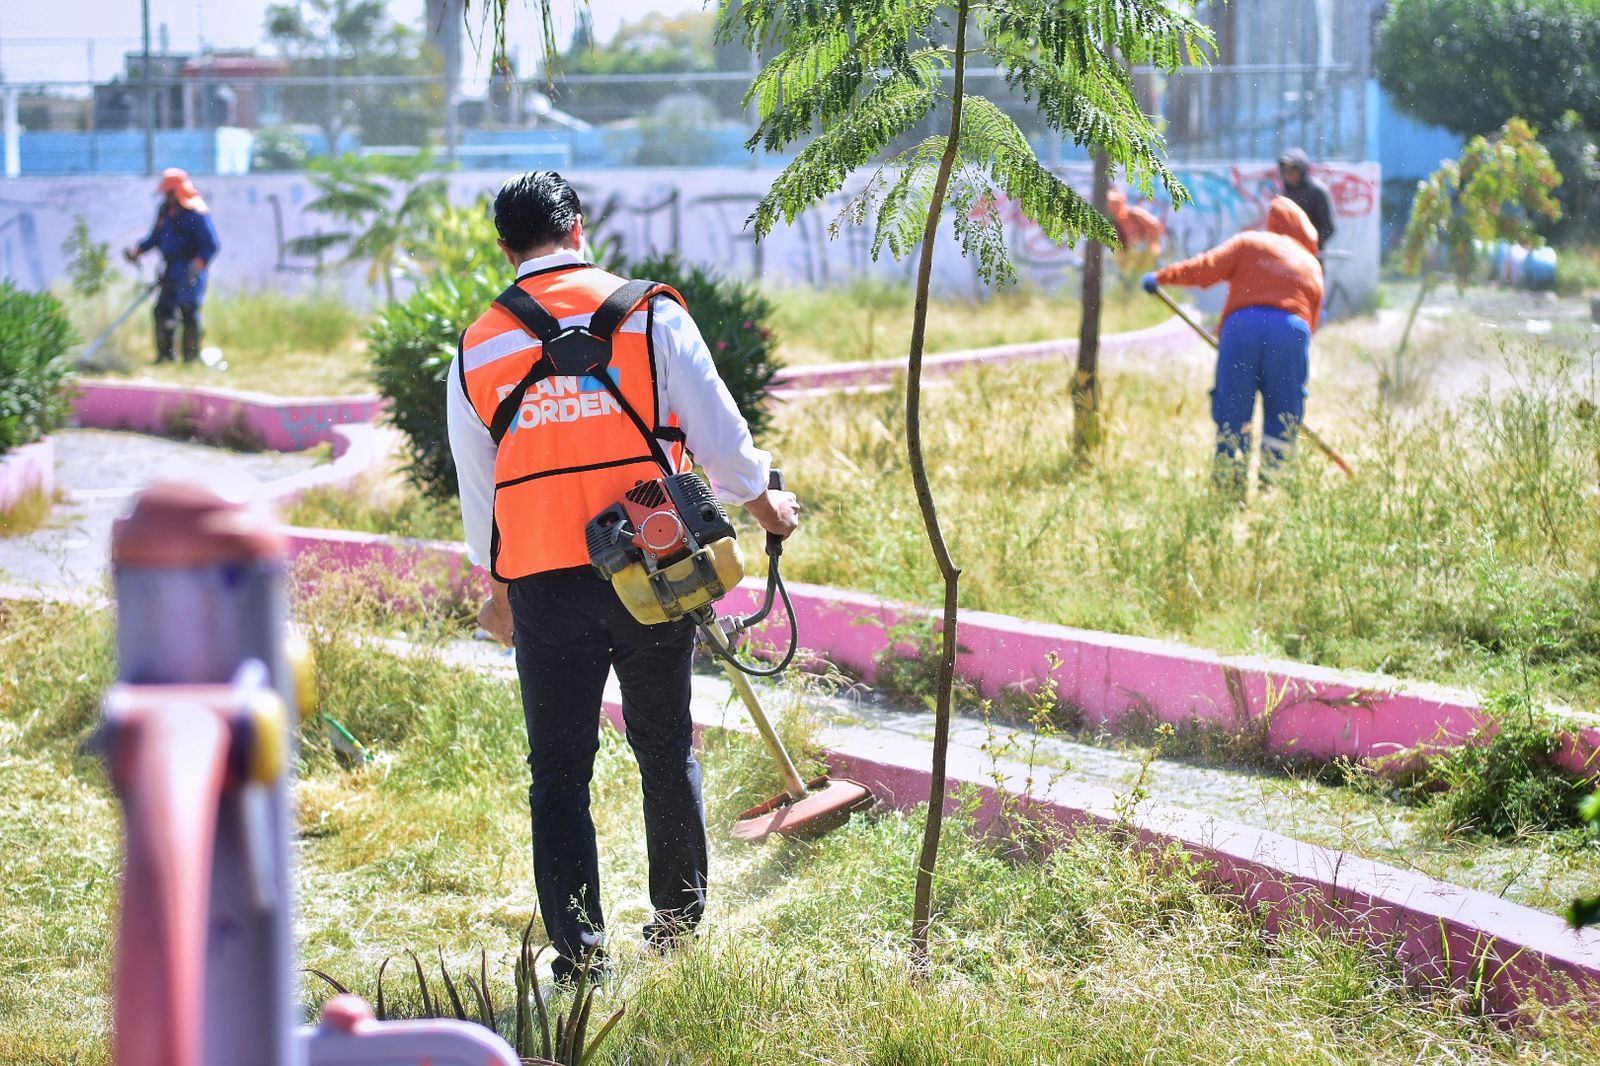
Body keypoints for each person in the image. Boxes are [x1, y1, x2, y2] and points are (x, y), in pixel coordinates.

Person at [445, 171, 801, 983]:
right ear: (579, 229)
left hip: (541, 579)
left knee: (560, 771)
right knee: (664, 743)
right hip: (654, 567)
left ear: (506, 248)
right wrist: (762, 501)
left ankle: (579, 953)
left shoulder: (479, 343)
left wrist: (494, 590)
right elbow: (716, 426)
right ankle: (676, 927)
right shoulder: (650, 313)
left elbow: (480, 485)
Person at [1142, 196, 1323, 491]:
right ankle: (1272, 488)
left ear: (1272, 223)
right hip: (1291, 333)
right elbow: (1311, 320)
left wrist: (1162, 277)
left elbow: (1205, 268)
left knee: (1234, 410)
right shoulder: (1310, 263)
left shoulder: (1249, 243)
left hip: (1242, 329)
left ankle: (1229, 485)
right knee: (1284, 412)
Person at [124, 168, 220, 364]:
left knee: (188, 311)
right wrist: (138, 251)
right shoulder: (165, 211)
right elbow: (155, 237)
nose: (167, 197)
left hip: (190, 268)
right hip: (170, 268)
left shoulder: (196, 212)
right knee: (162, 310)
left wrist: (199, 263)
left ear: (178, 191)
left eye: (170, 192)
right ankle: (165, 356)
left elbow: (211, 244)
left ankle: (191, 359)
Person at [1277, 148, 1335, 253]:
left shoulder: (1316, 192)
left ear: (1302, 170)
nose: (1289, 174)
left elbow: (1328, 228)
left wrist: (1309, 244)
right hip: (1289, 254)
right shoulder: (1286, 194)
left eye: (1294, 169)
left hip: (1311, 254)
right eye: (1285, 170)